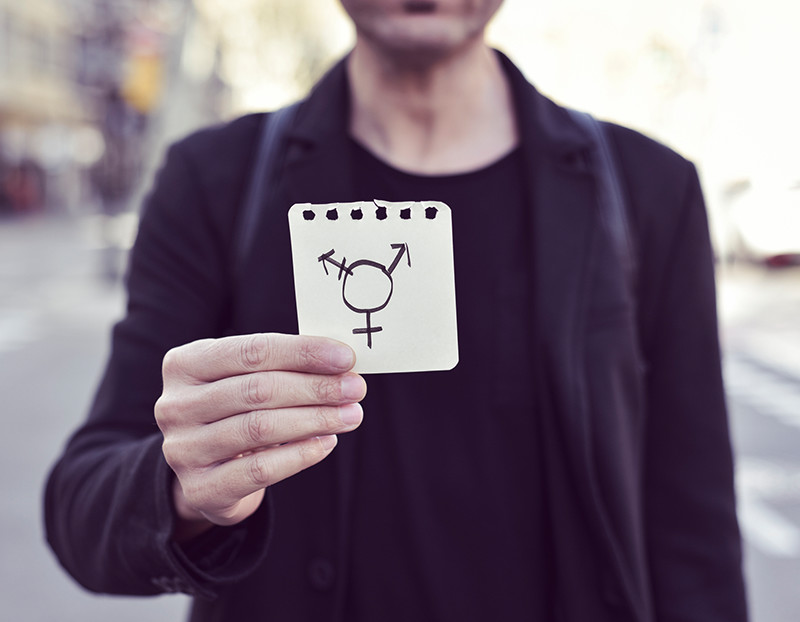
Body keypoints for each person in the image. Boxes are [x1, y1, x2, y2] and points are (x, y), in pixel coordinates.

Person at [45, 1, 749, 620]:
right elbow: (81, 510)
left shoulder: (649, 189)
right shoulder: (213, 182)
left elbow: (694, 535)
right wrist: (184, 489)